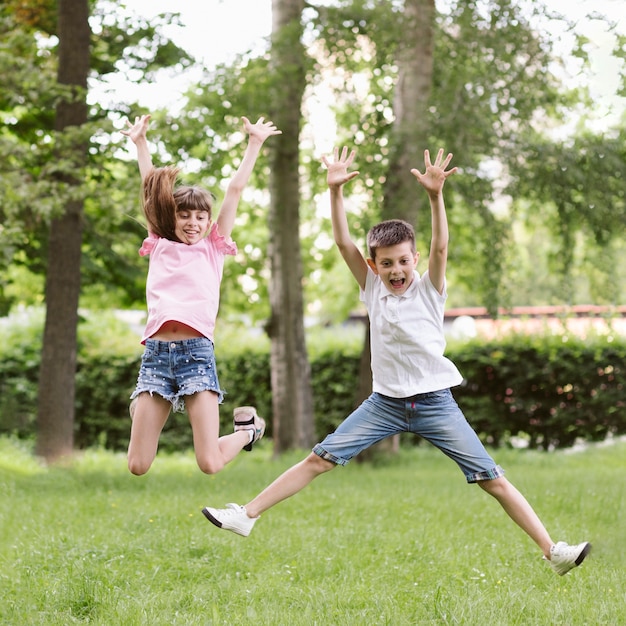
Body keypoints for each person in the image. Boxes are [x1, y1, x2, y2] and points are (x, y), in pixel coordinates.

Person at [202, 146, 591, 576]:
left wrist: (435, 196)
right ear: (374, 265)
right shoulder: (373, 289)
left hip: (435, 404)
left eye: (404, 261)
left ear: (415, 260)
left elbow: (441, 245)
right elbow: (341, 241)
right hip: (384, 404)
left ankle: (553, 551)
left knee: (491, 478)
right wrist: (334, 191)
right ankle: (247, 515)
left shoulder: (429, 289)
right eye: (386, 264)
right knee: (320, 458)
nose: (396, 270)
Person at [121, 114, 281, 476]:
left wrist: (254, 142)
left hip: (195, 356)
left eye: (200, 216)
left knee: (209, 463)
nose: (192, 222)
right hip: (157, 358)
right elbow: (150, 189)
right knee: (137, 465)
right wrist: (140, 143)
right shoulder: (159, 243)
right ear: (170, 218)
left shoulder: (213, 248)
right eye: (184, 215)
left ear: (210, 222)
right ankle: (144, 406)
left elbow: (235, 190)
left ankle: (248, 431)